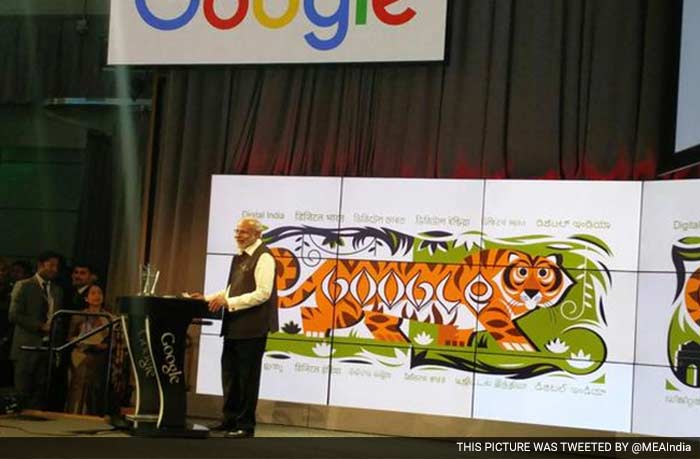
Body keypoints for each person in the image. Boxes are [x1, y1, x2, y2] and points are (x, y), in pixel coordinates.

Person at [192, 217, 278, 438]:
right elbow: (231, 291)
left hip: (253, 327)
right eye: (237, 231)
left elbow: (263, 293)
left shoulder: (265, 257)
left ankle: (245, 425)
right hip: (234, 325)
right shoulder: (239, 257)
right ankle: (229, 420)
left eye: (244, 232)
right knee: (230, 375)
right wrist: (206, 298)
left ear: (257, 235)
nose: (238, 236)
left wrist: (228, 303)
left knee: (247, 378)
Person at [9, 251, 64, 409]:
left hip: (48, 346)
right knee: (22, 389)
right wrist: (39, 326)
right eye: (51, 265)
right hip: (26, 345)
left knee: (41, 389)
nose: (54, 269)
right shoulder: (24, 285)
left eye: (57, 266)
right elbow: (14, 315)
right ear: (40, 265)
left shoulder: (57, 290)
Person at [65, 284, 111, 415]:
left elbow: (114, 340)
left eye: (99, 293)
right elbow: (70, 337)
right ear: (86, 298)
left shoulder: (109, 317)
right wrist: (84, 343)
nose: (97, 296)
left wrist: (104, 346)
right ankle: (74, 415)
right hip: (81, 355)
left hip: (100, 357)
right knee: (78, 388)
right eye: (93, 293)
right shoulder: (78, 316)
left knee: (96, 389)